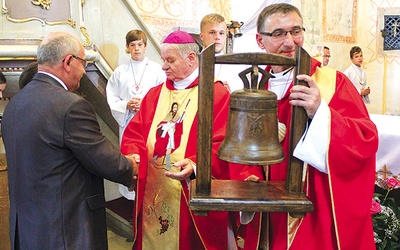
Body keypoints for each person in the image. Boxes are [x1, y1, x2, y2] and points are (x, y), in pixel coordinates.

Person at [247, 3, 378, 250]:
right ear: (260, 40)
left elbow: (365, 140)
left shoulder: (332, 82)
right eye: (278, 34)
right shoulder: (252, 87)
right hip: (264, 209)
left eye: (295, 31)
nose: (289, 42)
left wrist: (321, 113)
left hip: (314, 211)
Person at [120, 29, 262, 249]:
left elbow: (227, 143)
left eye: (170, 60)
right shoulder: (154, 95)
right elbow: (135, 134)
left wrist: (196, 165)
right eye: (163, 60)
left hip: (191, 192)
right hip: (155, 189)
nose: (164, 66)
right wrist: (134, 157)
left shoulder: (215, 93)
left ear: (191, 58)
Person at [1, 32, 138, 249]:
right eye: (83, 64)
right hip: (64, 232)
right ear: (68, 61)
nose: (84, 71)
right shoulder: (71, 106)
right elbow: (104, 161)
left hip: (27, 230)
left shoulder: (15, 104)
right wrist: (132, 166)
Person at [106, 29, 165, 201]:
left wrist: (147, 107)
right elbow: (112, 96)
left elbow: (163, 95)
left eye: (140, 45)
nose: (137, 48)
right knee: (132, 159)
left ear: (146, 46)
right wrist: (126, 105)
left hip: (151, 124)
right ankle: (132, 198)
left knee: (150, 159)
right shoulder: (120, 72)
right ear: (127, 47)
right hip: (128, 123)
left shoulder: (157, 70)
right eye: (133, 45)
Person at [200, 13, 245, 93]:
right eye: (212, 32)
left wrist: (230, 95)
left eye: (221, 33)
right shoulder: (193, 64)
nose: (217, 37)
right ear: (201, 36)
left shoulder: (236, 67)